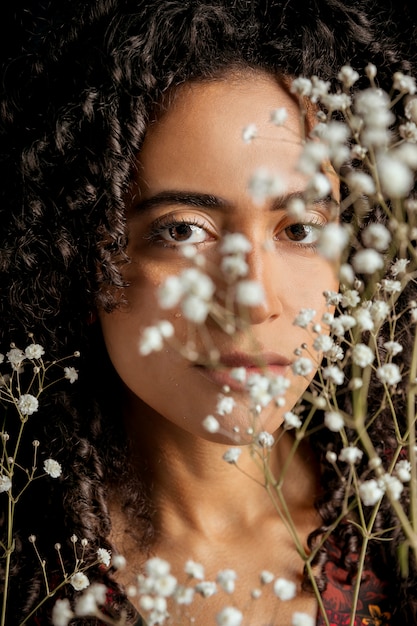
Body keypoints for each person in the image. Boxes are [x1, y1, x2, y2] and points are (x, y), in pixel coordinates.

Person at [0, 1, 416, 625]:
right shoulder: (22, 578)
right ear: (79, 253)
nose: (252, 299)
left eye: (299, 228)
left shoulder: (400, 534)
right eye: (181, 231)